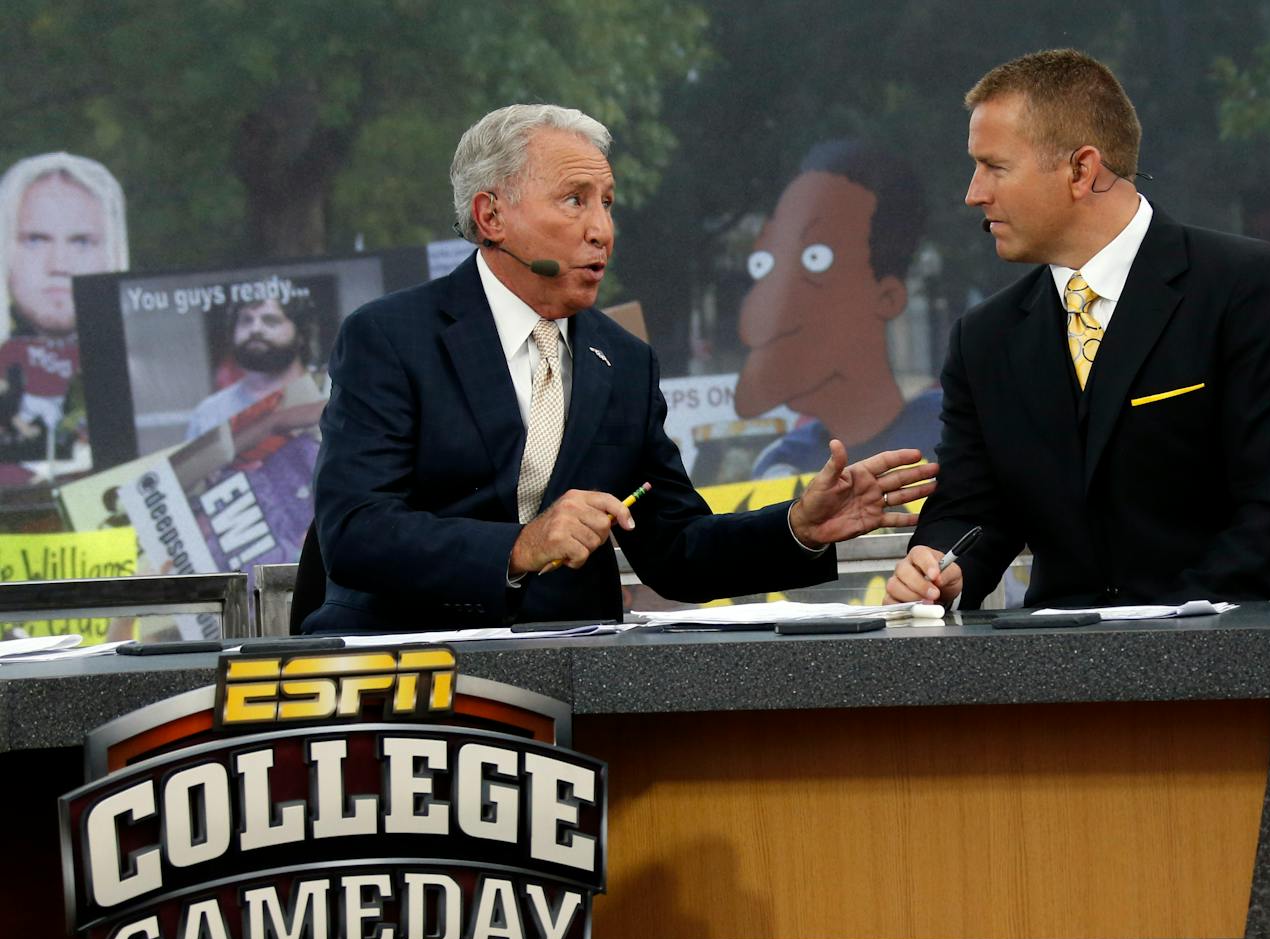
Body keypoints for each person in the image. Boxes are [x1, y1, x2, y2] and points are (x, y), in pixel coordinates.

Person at [306, 104, 936, 633]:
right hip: (406, 667)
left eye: (607, 203)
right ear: (490, 216)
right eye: (574, 201)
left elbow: (676, 551)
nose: (601, 230)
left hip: (575, 668)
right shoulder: (390, 336)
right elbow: (356, 532)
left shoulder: (624, 362)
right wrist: (521, 548)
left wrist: (797, 526)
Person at [886, 49, 1270, 610]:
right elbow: (972, 509)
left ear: (1082, 170)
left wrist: (1161, 637)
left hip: (1239, 656)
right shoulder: (985, 338)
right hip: (1059, 672)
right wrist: (939, 566)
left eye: (995, 167)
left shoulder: (1250, 288)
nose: (974, 193)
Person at [734, 140, 939, 478]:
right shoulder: (781, 467)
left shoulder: (958, 435)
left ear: (888, 296)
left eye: (815, 261)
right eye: (766, 265)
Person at [0, 153, 127, 448]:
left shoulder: (146, 369)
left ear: (113, 252)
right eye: (35, 240)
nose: (59, 264)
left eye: (81, 242)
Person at [186, 296, 315, 439]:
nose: (255, 329)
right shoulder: (208, 414)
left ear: (301, 335)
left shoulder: (334, 399)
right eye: (246, 321)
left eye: (270, 321)